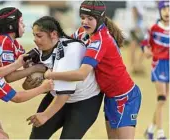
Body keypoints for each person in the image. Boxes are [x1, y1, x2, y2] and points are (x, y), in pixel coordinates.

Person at [44, 1, 142, 139]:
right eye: (83, 17)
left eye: (90, 19)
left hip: (125, 97)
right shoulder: (83, 32)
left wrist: (51, 74)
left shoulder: (100, 40)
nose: (85, 22)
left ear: (100, 18)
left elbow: (81, 74)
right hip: (110, 97)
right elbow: (64, 46)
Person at [25, 16, 103, 139]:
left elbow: (64, 94)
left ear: (54, 34)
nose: (35, 40)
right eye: (34, 35)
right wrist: (30, 81)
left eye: (39, 36)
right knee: (36, 137)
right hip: (57, 96)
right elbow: (23, 83)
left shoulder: (71, 50)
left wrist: (45, 115)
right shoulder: (40, 50)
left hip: (84, 101)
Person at [0, 7, 47, 129]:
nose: (24, 25)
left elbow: (26, 65)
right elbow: (9, 77)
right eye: (21, 22)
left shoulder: (14, 44)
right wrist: (36, 69)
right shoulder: (4, 42)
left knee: (1, 136)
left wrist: (33, 76)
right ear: (11, 26)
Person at [142, 1, 169, 139]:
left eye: (169, 8)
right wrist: (146, 50)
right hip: (159, 65)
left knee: (162, 101)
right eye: (164, 8)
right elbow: (145, 43)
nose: (167, 12)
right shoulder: (154, 28)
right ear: (159, 11)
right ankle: (160, 132)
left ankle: (150, 129)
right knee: (161, 97)